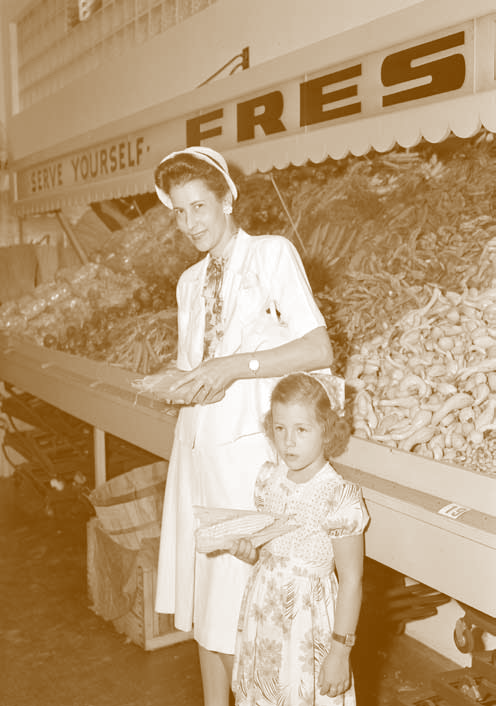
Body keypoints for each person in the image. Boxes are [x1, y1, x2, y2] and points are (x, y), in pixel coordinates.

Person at [152, 146, 334, 706]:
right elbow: (197, 365)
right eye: (179, 212)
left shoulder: (272, 256)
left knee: (241, 603)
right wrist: (173, 384)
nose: (191, 223)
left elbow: (316, 346)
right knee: (207, 601)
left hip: (248, 460)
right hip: (198, 454)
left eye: (200, 206)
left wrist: (236, 367)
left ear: (229, 198)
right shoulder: (188, 283)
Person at [230, 372, 369, 705]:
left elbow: (352, 580)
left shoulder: (338, 495)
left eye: (301, 429)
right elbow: (266, 551)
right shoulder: (269, 481)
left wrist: (340, 651)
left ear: (327, 429)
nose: (288, 441)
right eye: (280, 428)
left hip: (308, 622)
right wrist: (249, 551)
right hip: (265, 616)